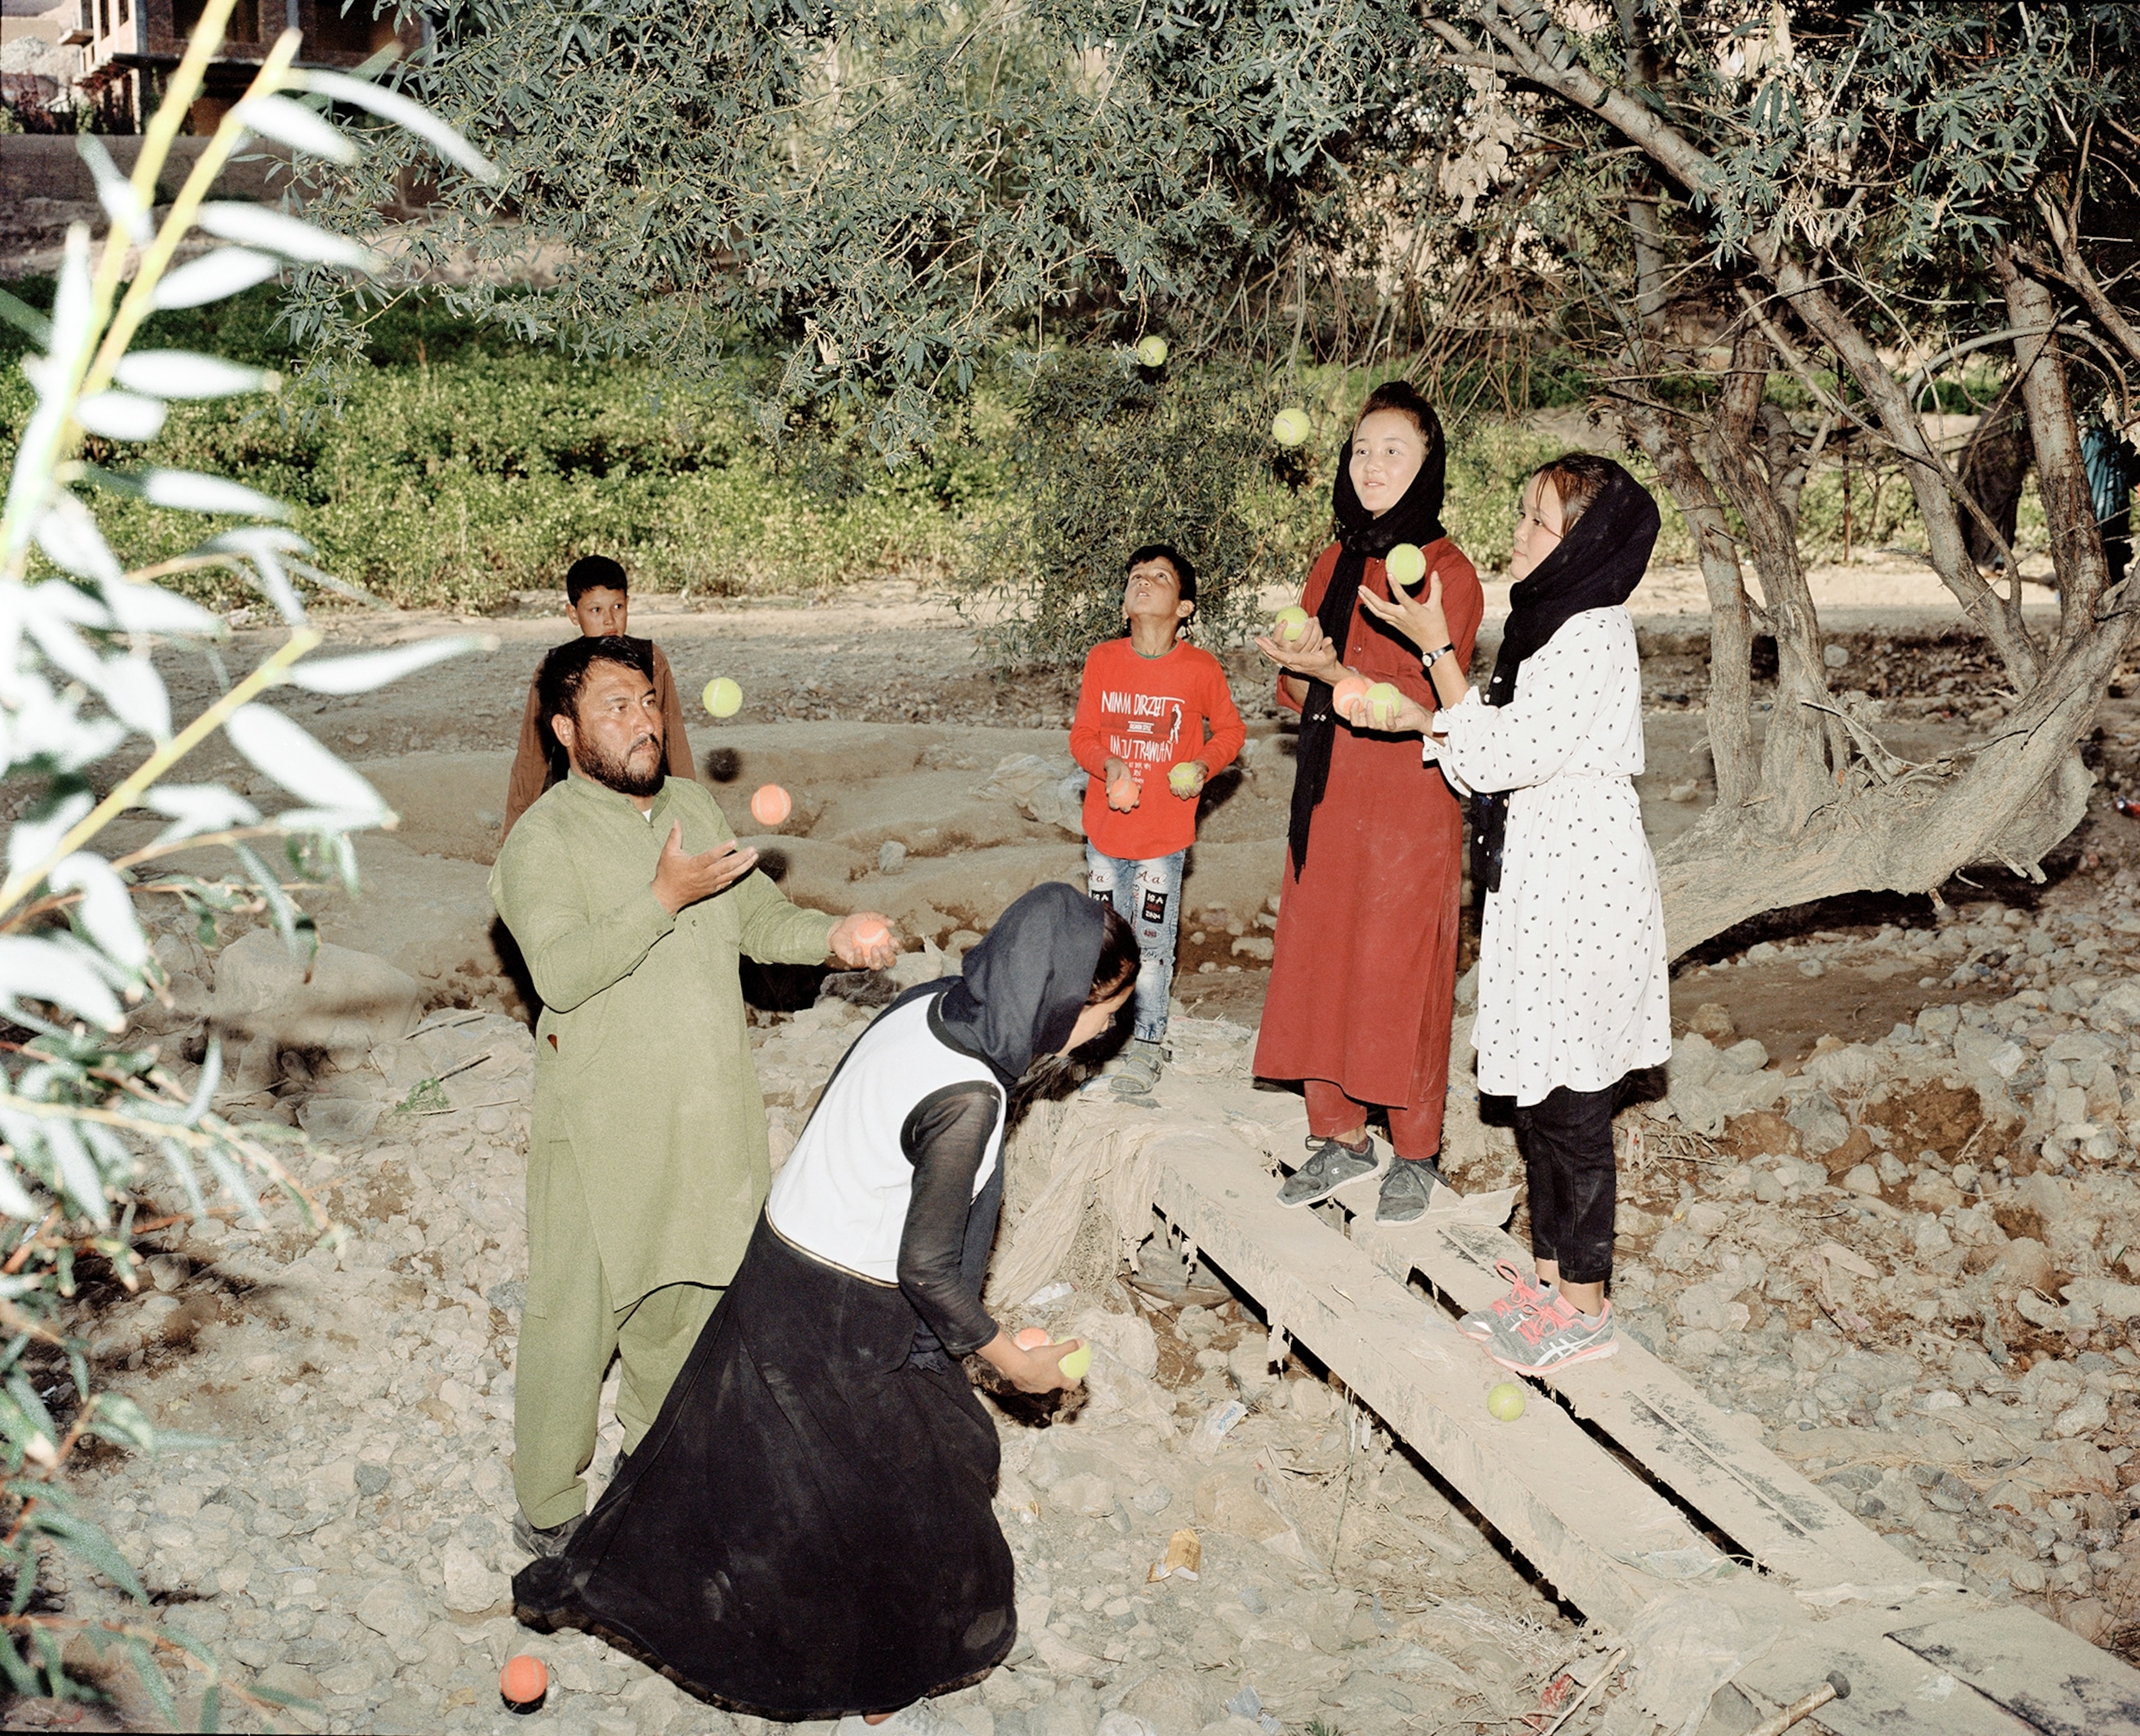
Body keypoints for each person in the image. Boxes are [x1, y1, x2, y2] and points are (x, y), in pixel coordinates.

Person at [513, 885, 1140, 1729]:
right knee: (917, 1493)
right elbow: (927, 1266)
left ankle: (813, 1613)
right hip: (841, 1309)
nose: (1103, 1031)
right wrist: (1005, 1354)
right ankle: (879, 1666)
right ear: (1060, 996)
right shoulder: (970, 1099)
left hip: (777, 1260)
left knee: (820, 1470)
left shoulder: (930, 1006)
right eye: (1104, 1013)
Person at [490, 635, 899, 1556]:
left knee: (691, 1297)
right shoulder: (540, 841)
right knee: (574, 1325)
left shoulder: (692, 806)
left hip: (706, 1112)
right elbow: (559, 972)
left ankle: (659, 1468)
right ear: (564, 730)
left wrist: (839, 936)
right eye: (613, 708)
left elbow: (758, 924)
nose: (642, 722)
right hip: (599, 1128)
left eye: (646, 702)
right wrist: (662, 897)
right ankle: (548, 1510)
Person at [1360, 452, 1670, 1372]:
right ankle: (1544, 1282)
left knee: (1573, 1102)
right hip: (1542, 876)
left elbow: (1498, 754)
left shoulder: (1593, 635)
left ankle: (1586, 1307)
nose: (1519, 536)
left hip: (1583, 885)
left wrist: (1439, 656)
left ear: (1583, 545)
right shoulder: (1549, 626)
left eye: (1540, 523)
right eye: (1525, 515)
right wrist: (1441, 699)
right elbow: (1480, 754)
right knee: (1536, 1093)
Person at [1253, 381, 1484, 1224]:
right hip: (1329, 795)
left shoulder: (1447, 574)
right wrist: (1295, 656)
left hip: (1408, 805)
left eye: (1395, 450)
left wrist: (1326, 674)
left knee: (1402, 970)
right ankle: (1339, 1134)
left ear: (1429, 466)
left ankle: (1417, 1150)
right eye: (1361, 450)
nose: (1374, 464)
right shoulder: (1334, 559)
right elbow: (1295, 687)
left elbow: (1410, 701)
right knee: (1322, 956)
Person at [1068, 543, 1245, 1097]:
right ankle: (1099, 1041)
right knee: (1099, 942)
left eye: (1160, 577)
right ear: (1124, 602)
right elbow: (1083, 736)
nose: (1143, 582)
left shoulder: (1199, 668)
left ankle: (1147, 1041)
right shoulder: (1103, 659)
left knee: (1150, 940)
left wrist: (1201, 764)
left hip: (1162, 838)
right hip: (1104, 834)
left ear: (1185, 607)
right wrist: (1111, 764)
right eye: (1135, 576)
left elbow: (1232, 733)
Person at [502, 555, 696, 838]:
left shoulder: (650, 661)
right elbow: (533, 755)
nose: (609, 619)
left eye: (618, 607)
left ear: (628, 605)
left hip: (643, 796)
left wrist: (690, 812)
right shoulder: (556, 668)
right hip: (580, 804)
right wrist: (515, 830)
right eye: (595, 610)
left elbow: (674, 741)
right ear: (573, 613)